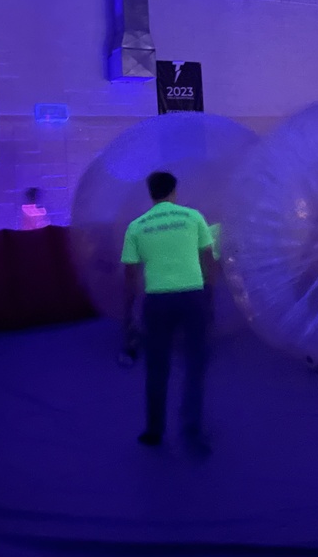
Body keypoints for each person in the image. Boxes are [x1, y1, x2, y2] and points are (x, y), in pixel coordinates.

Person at [121, 172, 215, 457]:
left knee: (156, 367)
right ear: (174, 191)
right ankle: (191, 427)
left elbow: (130, 275)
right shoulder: (194, 217)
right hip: (192, 297)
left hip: (157, 301)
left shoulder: (136, 226)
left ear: (151, 193)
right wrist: (208, 297)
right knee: (195, 364)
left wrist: (129, 313)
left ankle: (154, 430)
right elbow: (208, 260)